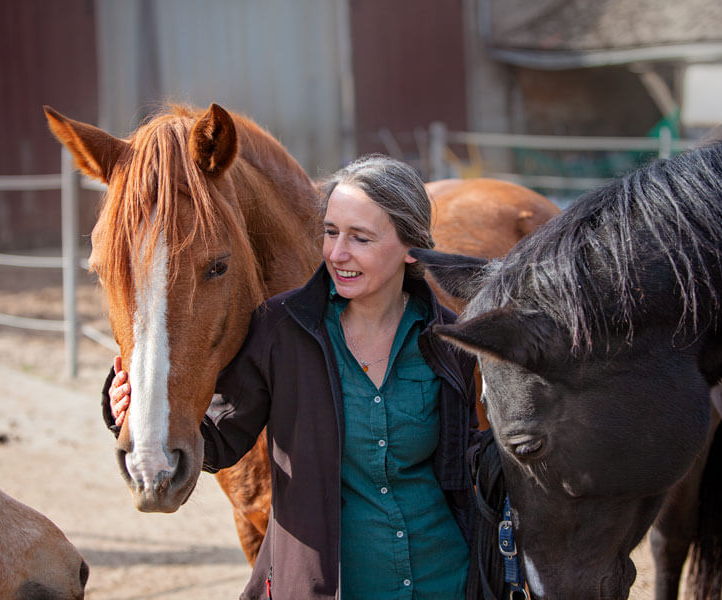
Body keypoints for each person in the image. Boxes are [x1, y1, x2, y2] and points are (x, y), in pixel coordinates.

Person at [106, 154, 482, 600]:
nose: (337, 254)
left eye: (360, 238)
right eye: (330, 232)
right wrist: (134, 414)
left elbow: (473, 465)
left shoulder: (449, 339)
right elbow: (218, 441)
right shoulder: (280, 330)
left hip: (446, 581)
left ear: (410, 247)